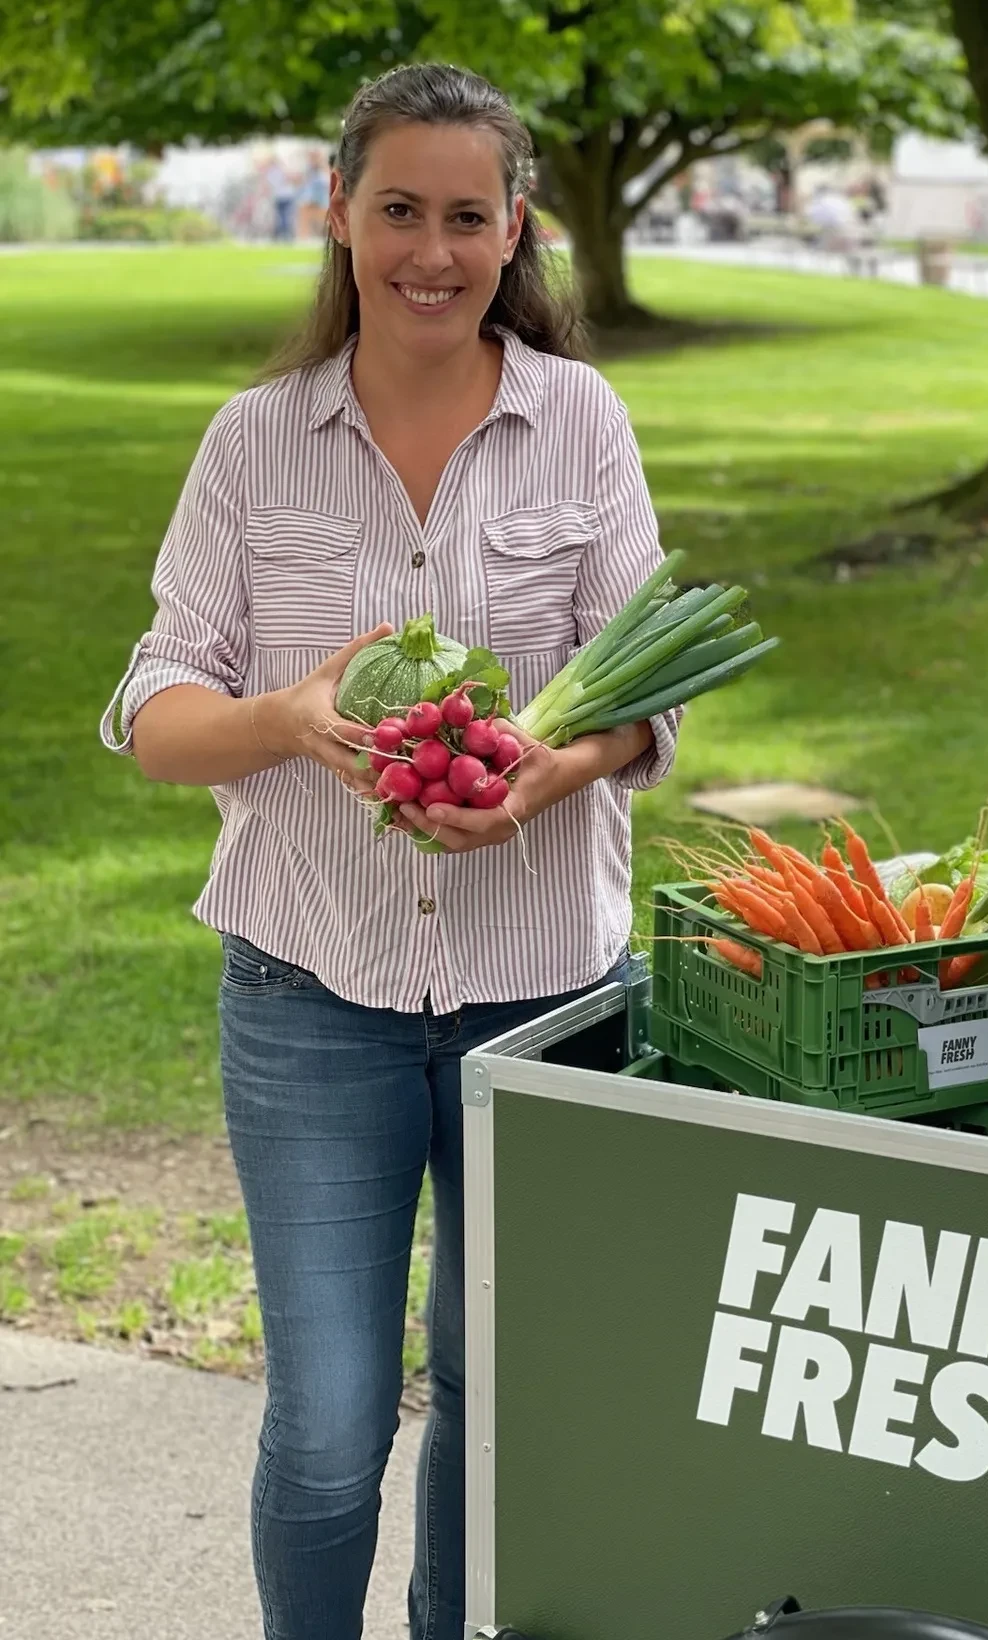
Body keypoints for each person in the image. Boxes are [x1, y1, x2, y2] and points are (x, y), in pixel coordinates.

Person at [99, 62, 680, 1640]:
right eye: (400, 210)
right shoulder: (256, 440)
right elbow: (153, 707)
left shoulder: (583, 422)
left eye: (469, 216)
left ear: (518, 230)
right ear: (338, 214)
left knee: (495, 1396)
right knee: (332, 1419)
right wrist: (285, 718)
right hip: (311, 995)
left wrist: (544, 776)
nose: (434, 249)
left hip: (545, 997)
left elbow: (646, 692)